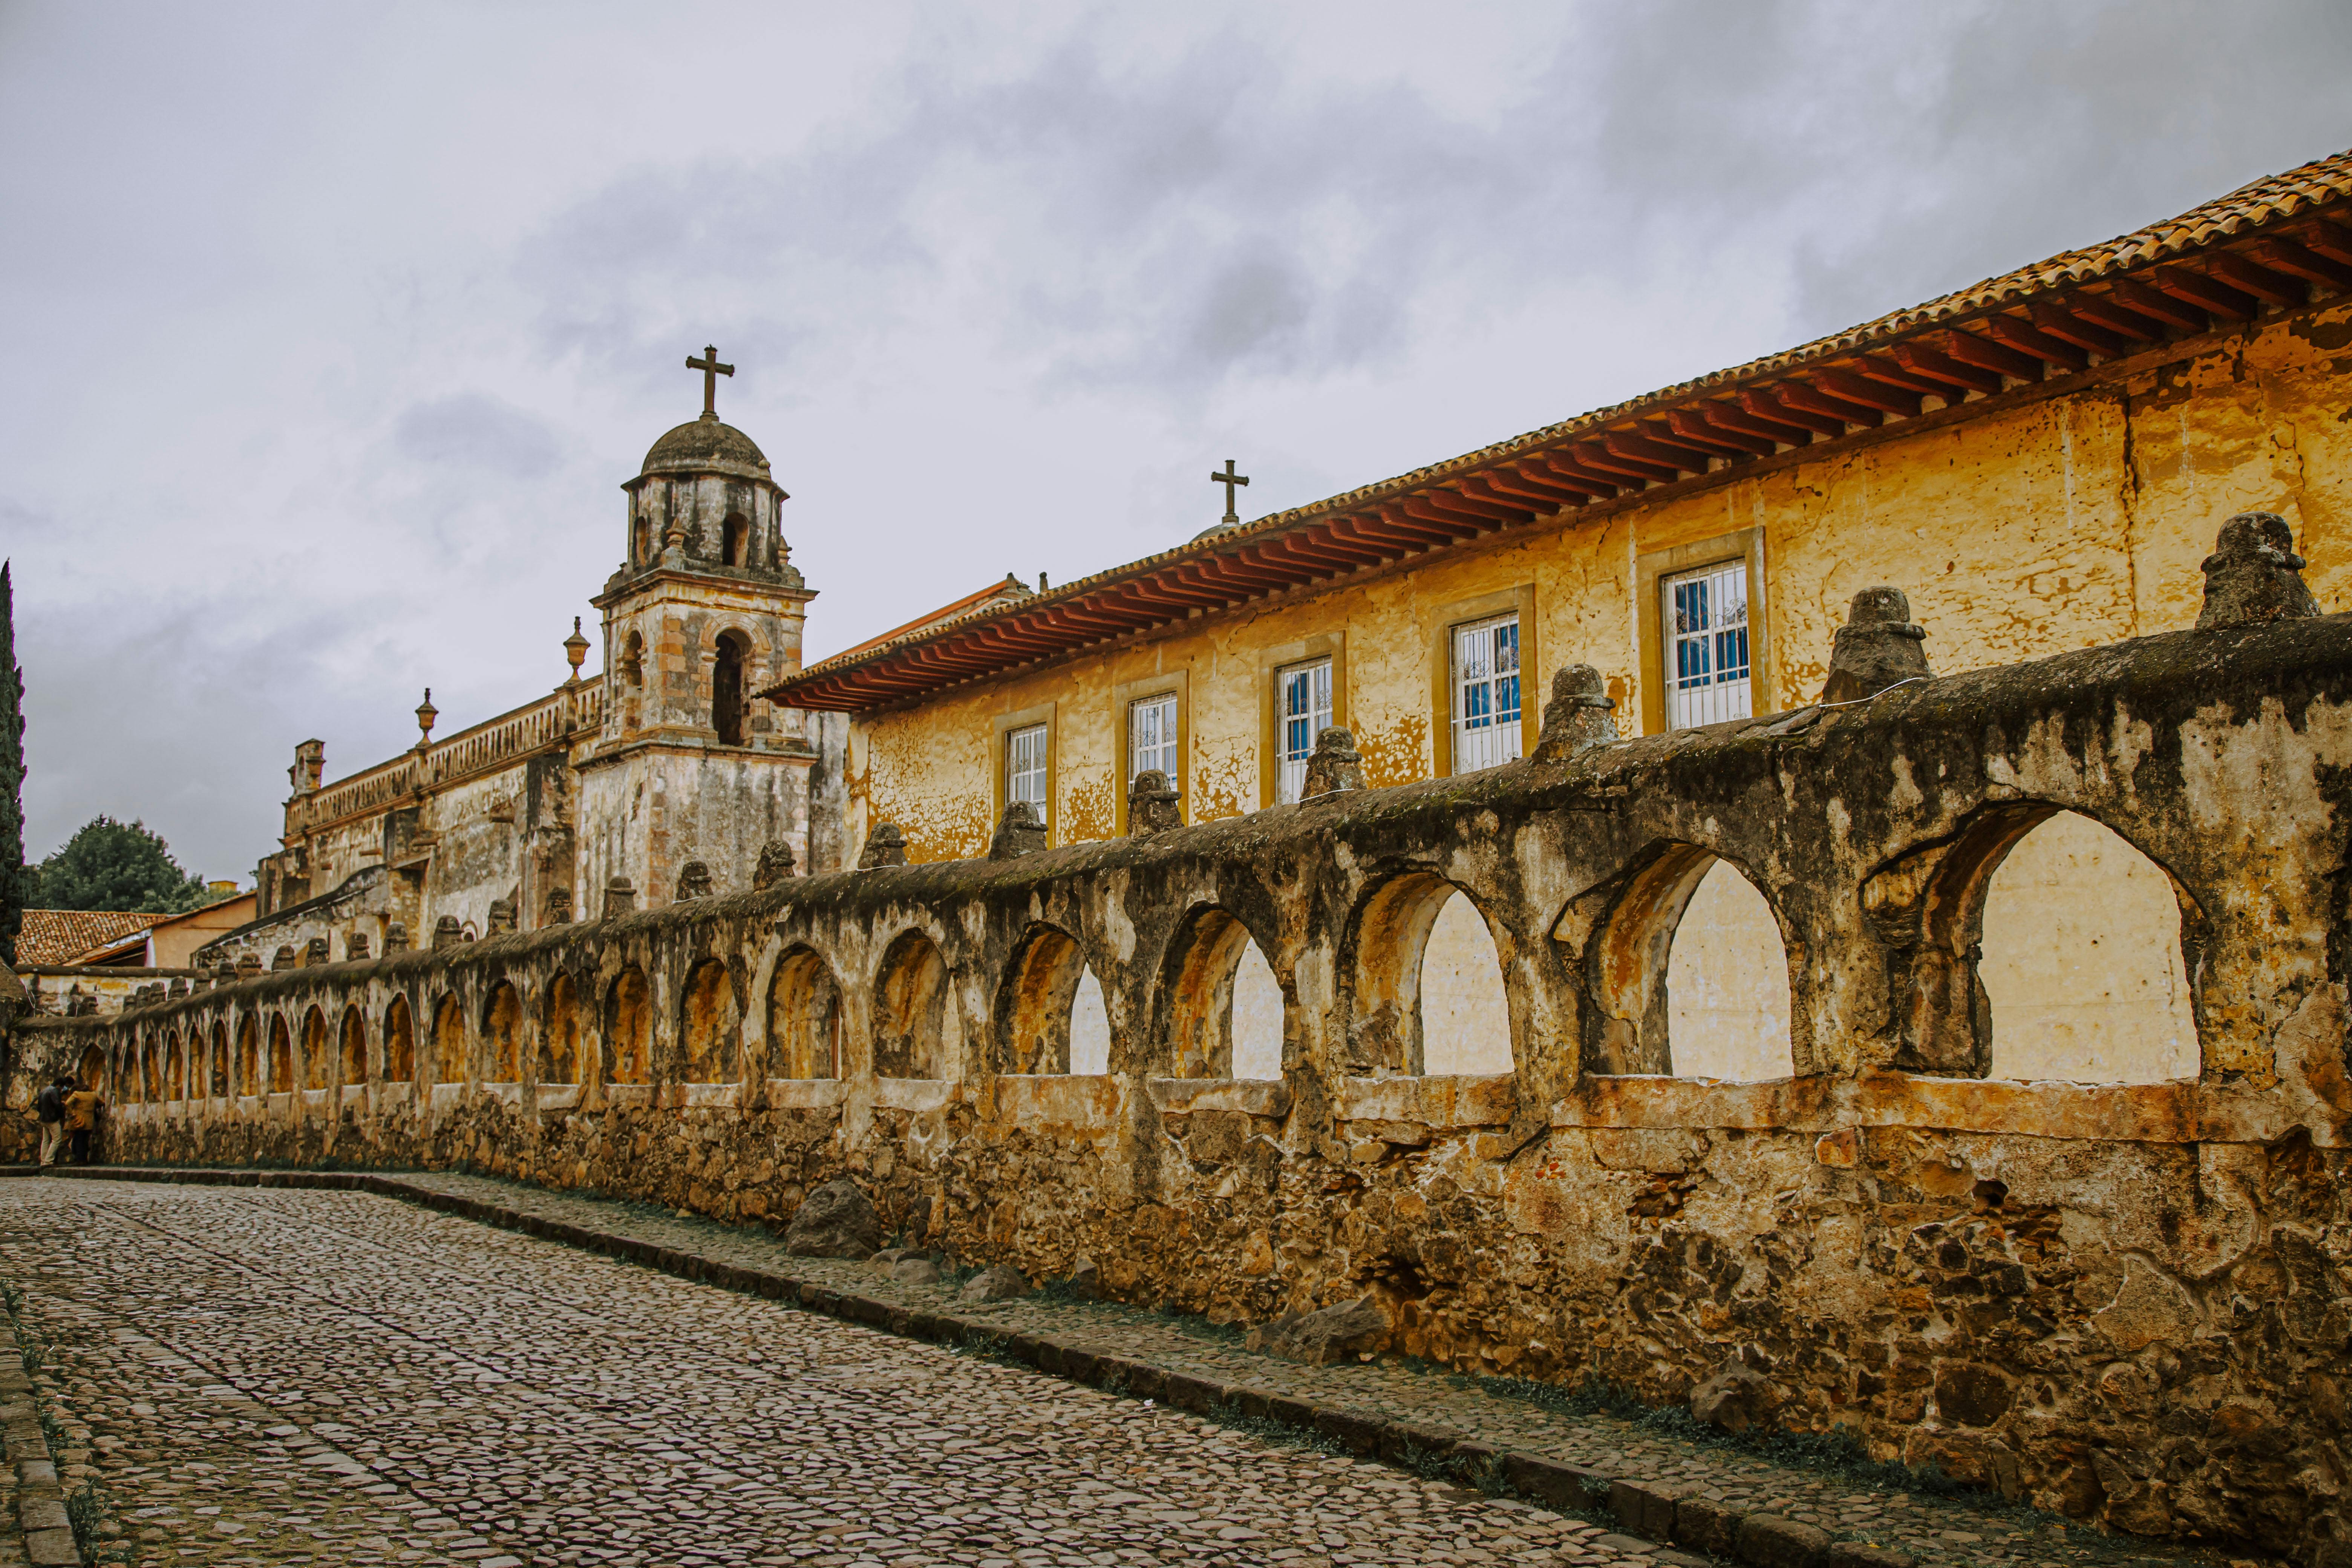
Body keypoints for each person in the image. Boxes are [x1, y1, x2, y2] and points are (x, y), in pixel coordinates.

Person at [62, 1076, 102, 1167]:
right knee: (85, 1141)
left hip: (79, 1121)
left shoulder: (77, 1094)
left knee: (78, 1140)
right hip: (89, 1122)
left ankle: (79, 1160)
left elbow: (68, 1104)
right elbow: (101, 1103)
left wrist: (72, 1113)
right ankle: (84, 1159)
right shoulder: (93, 1095)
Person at [33, 1075, 67, 1168]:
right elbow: (57, 1105)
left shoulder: (44, 1091)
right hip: (52, 1119)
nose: (62, 1090)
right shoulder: (55, 1091)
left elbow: (38, 1107)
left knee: (46, 1140)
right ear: (59, 1085)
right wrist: (61, 1115)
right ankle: (49, 1161)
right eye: (62, 1088)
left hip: (43, 1118)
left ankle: (43, 1161)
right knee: (57, 1139)